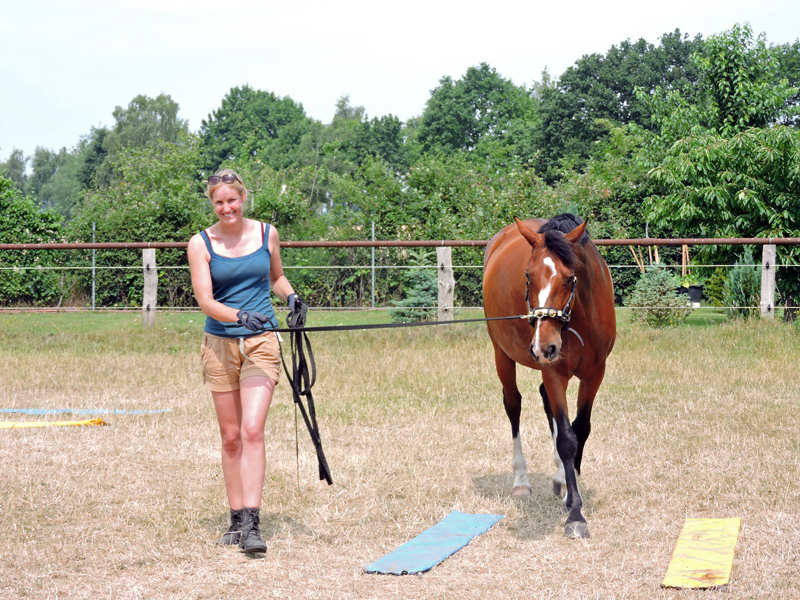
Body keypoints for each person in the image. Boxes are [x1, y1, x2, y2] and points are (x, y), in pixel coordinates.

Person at [188, 169, 305, 553]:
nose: (227, 208)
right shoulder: (200, 243)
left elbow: (276, 278)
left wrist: (290, 297)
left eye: (232, 200)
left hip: (261, 344)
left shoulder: (266, 233)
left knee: (253, 429)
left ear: (243, 197)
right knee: (232, 436)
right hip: (220, 346)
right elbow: (205, 301)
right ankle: (235, 519)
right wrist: (238, 316)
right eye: (219, 202)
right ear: (212, 203)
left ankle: (253, 525)